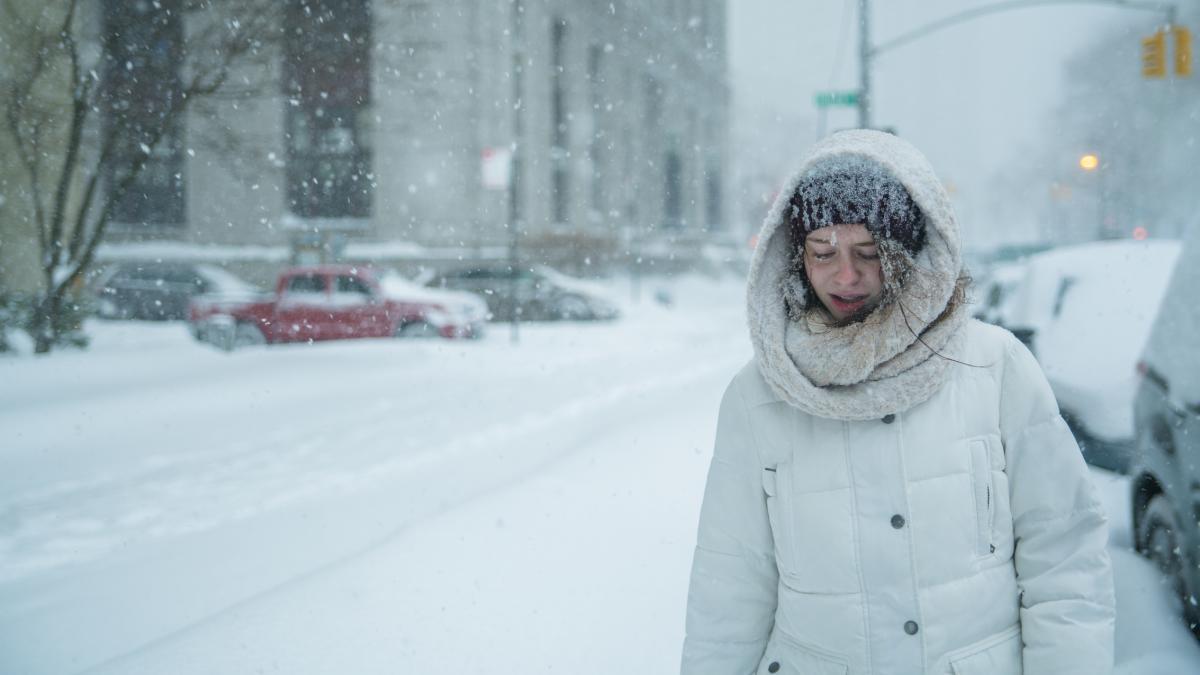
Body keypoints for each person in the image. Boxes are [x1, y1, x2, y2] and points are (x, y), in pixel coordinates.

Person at [680, 129, 1114, 675]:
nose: (845, 275)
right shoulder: (758, 396)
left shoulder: (994, 366)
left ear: (907, 252)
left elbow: (1064, 559)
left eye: (868, 252)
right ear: (796, 259)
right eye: (822, 252)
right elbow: (730, 587)